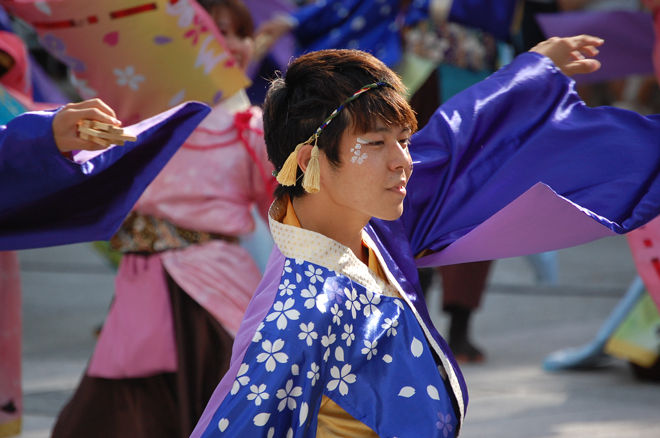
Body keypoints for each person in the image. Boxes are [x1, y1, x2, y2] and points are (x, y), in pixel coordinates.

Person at [190, 34, 660, 437]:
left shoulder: (371, 223)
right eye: (376, 143)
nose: (403, 161)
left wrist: (533, 72)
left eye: (403, 140)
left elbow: (455, 143)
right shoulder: (295, 316)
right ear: (308, 161)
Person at [51, 1, 275, 437]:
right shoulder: (136, 117)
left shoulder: (253, 128)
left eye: (240, 33)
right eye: (216, 32)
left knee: (225, 409)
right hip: (142, 287)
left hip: (217, 290)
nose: (230, 45)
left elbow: (289, 205)